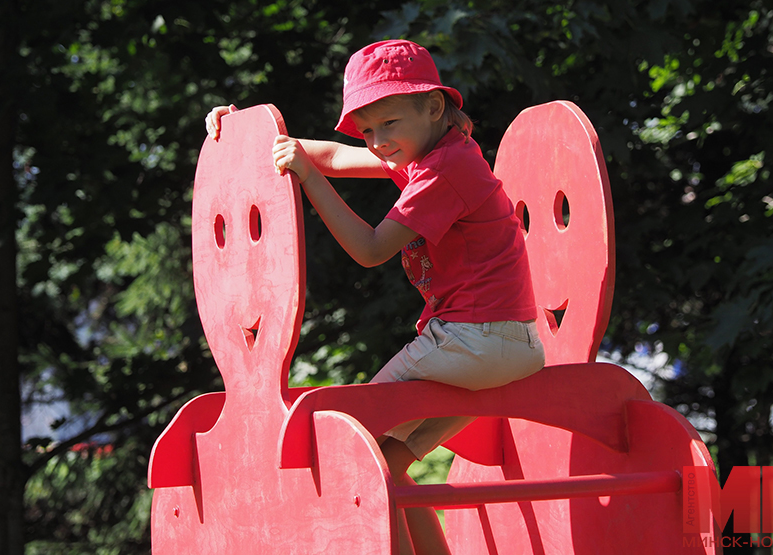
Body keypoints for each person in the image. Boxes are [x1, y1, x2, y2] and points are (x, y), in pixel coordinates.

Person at [205, 39, 545, 555]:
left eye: (388, 123)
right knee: (384, 462)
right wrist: (247, 137)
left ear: (433, 106)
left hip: (472, 339)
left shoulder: (440, 172)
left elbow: (368, 250)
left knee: (345, 442)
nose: (378, 141)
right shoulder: (437, 151)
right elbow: (337, 154)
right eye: (368, 129)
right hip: (510, 345)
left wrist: (307, 178)